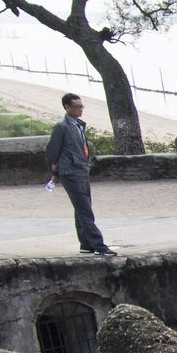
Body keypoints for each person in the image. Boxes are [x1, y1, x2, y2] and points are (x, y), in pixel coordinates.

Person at [45, 93, 115, 256]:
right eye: (77, 107)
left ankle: (86, 244)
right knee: (84, 209)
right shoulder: (62, 127)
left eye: (81, 106)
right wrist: (55, 173)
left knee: (82, 207)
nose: (80, 109)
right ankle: (99, 246)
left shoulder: (78, 125)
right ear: (67, 107)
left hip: (81, 171)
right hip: (70, 173)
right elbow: (52, 151)